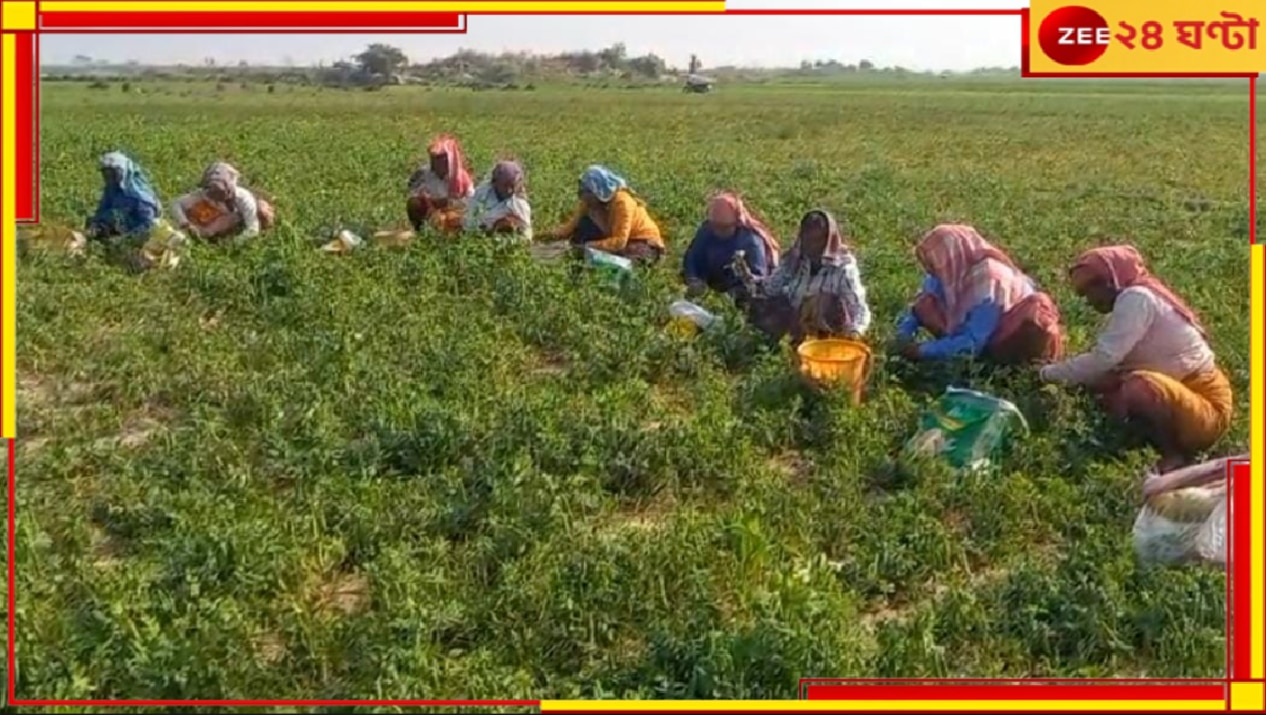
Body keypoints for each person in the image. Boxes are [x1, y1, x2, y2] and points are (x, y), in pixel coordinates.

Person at [1040, 245, 1233, 474]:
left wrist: (1047, 374)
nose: (1088, 301)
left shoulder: (1136, 299)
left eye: (1088, 291)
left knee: (1138, 388)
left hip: (1207, 409)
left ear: (1108, 281)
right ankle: (1135, 440)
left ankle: (1174, 455)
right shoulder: (1137, 297)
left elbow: (1104, 358)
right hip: (1182, 394)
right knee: (1103, 387)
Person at [894, 224, 1064, 365]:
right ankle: (949, 346)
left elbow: (973, 343)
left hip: (1005, 336)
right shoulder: (949, 270)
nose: (930, 272)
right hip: (977, 331)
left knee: (978, 351)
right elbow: (921, 303)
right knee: (926, 305)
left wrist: (922, 351)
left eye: (932, 266)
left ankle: (984, 363)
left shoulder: (990, 283)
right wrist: (903, 334)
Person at [736, 209, 871, 344]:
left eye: (818, 240)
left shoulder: (843, 269)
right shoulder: (794, 259)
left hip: (827, 329)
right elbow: (770, 289)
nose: (812, 246)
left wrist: (855, 332)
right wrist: (748, 279)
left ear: (827, 241)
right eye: (808, 239)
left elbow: (859, 308)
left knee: (819, 301)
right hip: (795, 321)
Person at [547, 165, 665, 264]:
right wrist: (544, 236)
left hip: (644, 244)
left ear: (598, 190)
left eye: (587, 192)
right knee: (583, 227)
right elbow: (569, 228)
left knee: (622, 267)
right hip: (619, 243)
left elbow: (619, 241)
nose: (584, 196)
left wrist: (589, 245)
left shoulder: (622, 202)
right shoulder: (588, 203)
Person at [682, 191, 780, 301]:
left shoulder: (751, 242)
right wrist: (693, 279)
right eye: (715, 226)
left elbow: (759, 279)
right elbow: (692, 257)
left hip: (738, 294)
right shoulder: (707, 231)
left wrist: (736, 293)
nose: (718, 231)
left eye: (724, 227)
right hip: (711, 286)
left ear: (736, 223)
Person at [169, 161, 275, 243]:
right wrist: (185, 223)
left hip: (233, 219)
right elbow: (175, 203)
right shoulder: (204, 193)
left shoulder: (243, 199)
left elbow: (252, 229)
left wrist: (233, 243)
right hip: (211, 223)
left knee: (263, 214)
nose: (215, 199)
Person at [84, 151, 163, 241]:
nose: (109, 177)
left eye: (112, 173)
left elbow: (148, 224)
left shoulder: (138, 195)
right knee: (93, 221)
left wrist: (126, 238)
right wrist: (95, 223)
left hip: (136, 231)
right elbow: (103, 209)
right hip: (117, 227)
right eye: (106, 174)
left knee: (115, 217)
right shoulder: (111, 189)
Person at [406, 135, 475, 234]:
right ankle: (420, 232)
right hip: (431, 210)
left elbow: (471, 200)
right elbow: (412, 191)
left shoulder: (461, 178)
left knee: (452, 218)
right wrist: (428, 199)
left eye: (441, 158)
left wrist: (449, 203)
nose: (436, 162)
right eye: (434, 158)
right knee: (414, 203)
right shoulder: (423, 173)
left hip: (454, 212)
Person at [464, 160, 533, 242]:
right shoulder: (481, 195)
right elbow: (470, 223)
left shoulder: (520, 204)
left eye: (512, 185)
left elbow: (526, 232)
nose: (509, 190)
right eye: (505, 185)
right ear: (495, 182)